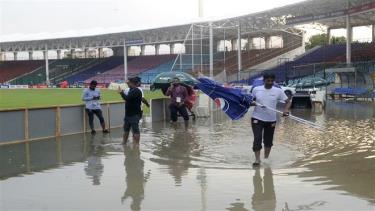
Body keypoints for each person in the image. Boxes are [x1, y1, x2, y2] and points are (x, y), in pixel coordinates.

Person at [251, 73, 291, 166]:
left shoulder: (278, 91)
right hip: (257, 118)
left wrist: (286, 110)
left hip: (271, 120)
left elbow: (288, 102)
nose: (270, 82)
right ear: (263, 80)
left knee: (268, 140)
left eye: (272, 81)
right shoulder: (256, 90)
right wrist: (253, 103)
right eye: (268, 80)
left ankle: (266, 159)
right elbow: (250, 101)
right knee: (257, 138)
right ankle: (257, 160)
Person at [118, 77, 143, 145]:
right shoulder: (131, 90)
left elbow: (127, 98)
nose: (127, 84)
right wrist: (122, 92)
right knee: (126, 130)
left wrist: (121, 93)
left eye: (128, 83)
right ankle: (124, 143)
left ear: (132, 83)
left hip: (134, 114)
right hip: (128, 114)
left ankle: (136, 145)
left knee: (135, 130)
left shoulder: (136, 91)